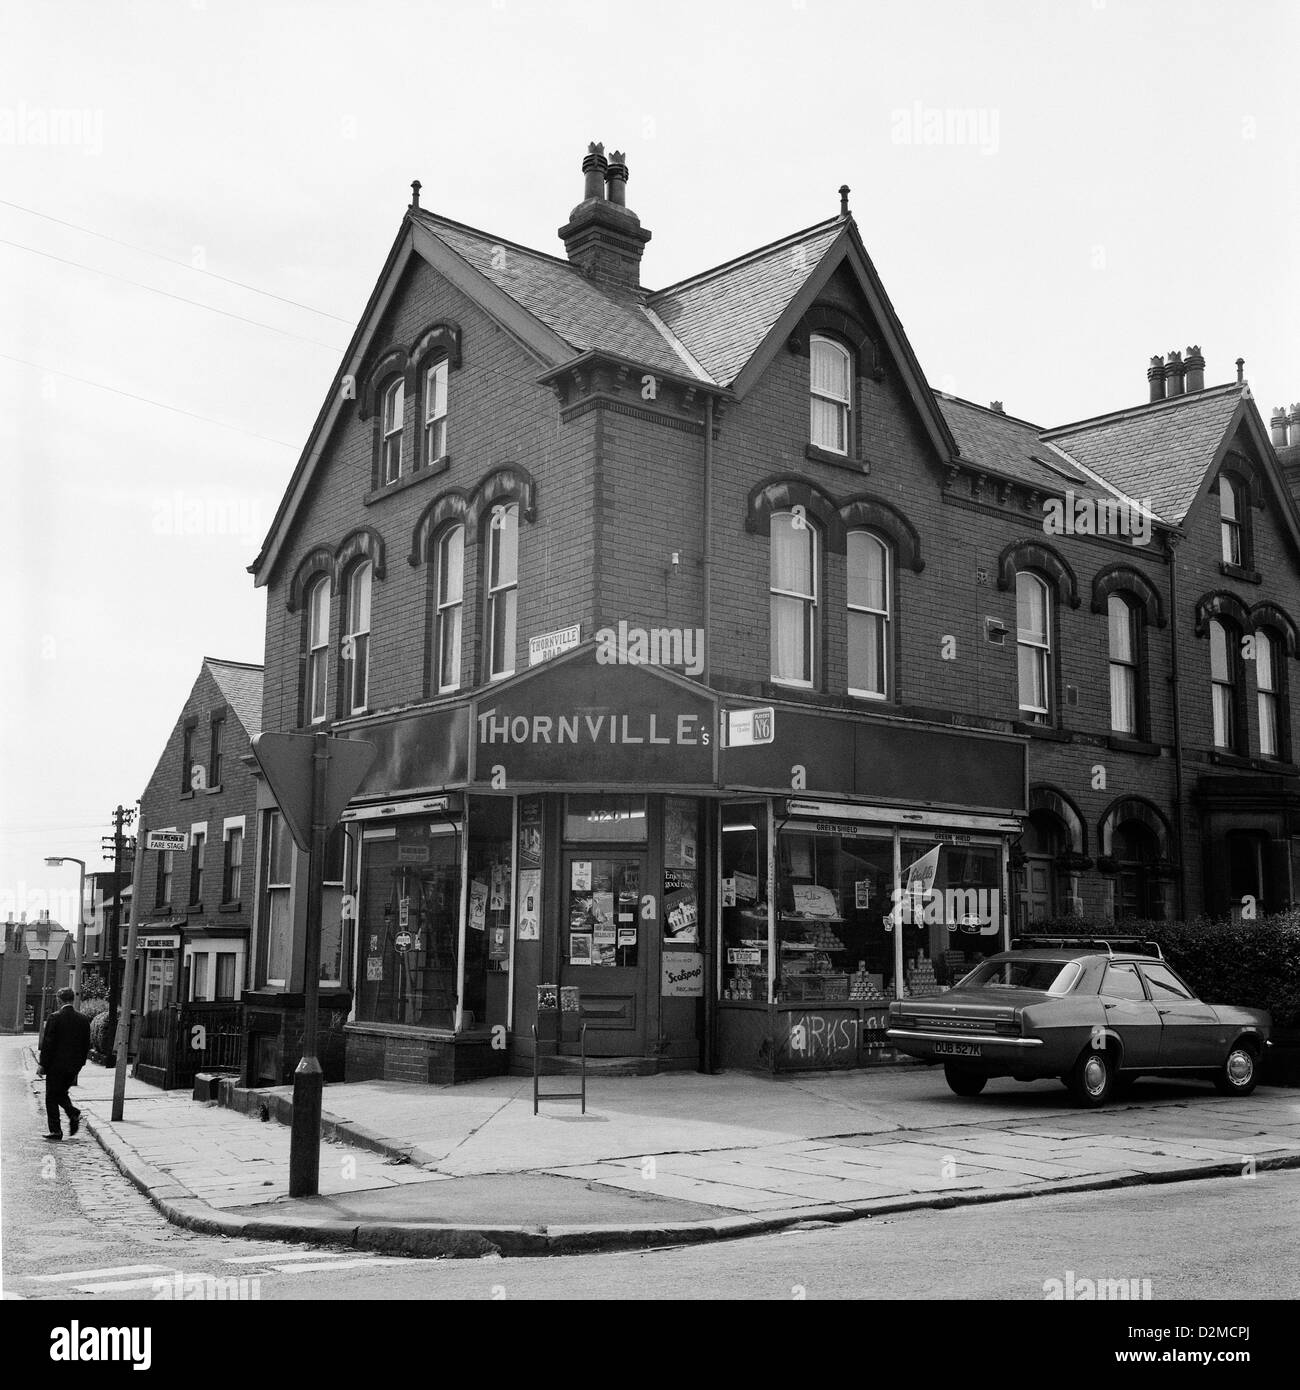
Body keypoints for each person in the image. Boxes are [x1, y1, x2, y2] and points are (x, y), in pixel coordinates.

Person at [36, 987, 91, 1141]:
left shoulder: (55, 1017)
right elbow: (86, 1044)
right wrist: (80, 1063)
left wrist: (42, 1064)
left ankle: (56, 1130)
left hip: (56, 1065)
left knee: (51, 1097)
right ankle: (72, 1113)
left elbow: (48, 1044)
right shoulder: (83, 1019)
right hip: (74, 1066)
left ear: (59, 1000)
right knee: (60, 1093)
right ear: (72, 999)